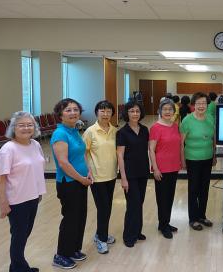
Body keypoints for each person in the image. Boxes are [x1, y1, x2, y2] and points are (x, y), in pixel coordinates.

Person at [0, 111, 46, 272]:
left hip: (33, 197)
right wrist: (4, 203)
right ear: (13, 128)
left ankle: (18, 266)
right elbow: (0, 178)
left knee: (24, 234)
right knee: (19, 237)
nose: (26, 128)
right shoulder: (8, 149)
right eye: (21, 125)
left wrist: (38, 193)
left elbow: (38, 169)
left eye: (30, 124)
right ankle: (18, 268)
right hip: (17, 201)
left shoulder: (35, 145)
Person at [51, 98, 92, 269]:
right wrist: (81, 178)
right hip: (69, 183)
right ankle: (61, 255)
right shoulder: (60, 134)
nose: (73, 113)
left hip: (81, 181)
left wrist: (88, 170)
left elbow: (82, 153)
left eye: (76, 109)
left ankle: (74, 249)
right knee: (70, 219)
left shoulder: (74, 130)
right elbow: (64, 163)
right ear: (60, 114)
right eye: (68, 110)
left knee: (80, 216)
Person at [83, 100, 118, 254]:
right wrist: (87, 170)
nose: (105, 114)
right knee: (103, 208)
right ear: (96, 113)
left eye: (108, 111)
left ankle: (100, 233)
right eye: (102, 111)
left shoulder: (115, 130)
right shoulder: (90, 131)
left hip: (111, 175)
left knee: (107, 207)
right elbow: (83, 153)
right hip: (97, 177)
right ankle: (101, 238)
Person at [180, 92, 216, 231]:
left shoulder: (210, 118)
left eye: (204, 103)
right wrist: (182, 161)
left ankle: (202, 215)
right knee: (193, 189)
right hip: (192, 159)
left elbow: (213, 139)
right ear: (193, 105)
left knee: (204, 189)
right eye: (198, 103)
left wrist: (214, 155)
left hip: (207, 158)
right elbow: (180, 143)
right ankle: (193, 218)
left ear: (208, 105)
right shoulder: (187, 120)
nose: (201, 106)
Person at [116, 101, 150, 248]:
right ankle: (128, 235)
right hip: (129, 174)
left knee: (139, 203)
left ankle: (137, 231)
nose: (135, 114)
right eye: (131, 111)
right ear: (127, 114)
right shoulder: (122, 132)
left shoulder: (144, 130)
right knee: (133, 204)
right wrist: (123, 177)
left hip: (143, 171)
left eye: (137, 111)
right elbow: (120, 156)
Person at [149, 98, 182, 239]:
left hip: (174, 167)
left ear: (174, 112)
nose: (168, 112)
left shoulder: (175, 126)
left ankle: (166, 222)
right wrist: (155, 169)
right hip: (161, 168)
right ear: (160, 111)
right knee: (162, 198)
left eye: (170, 109)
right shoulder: (155, 127)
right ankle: (163, 225)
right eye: (165, 109)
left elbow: (178, 145)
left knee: (169, 197)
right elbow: (151, 150)